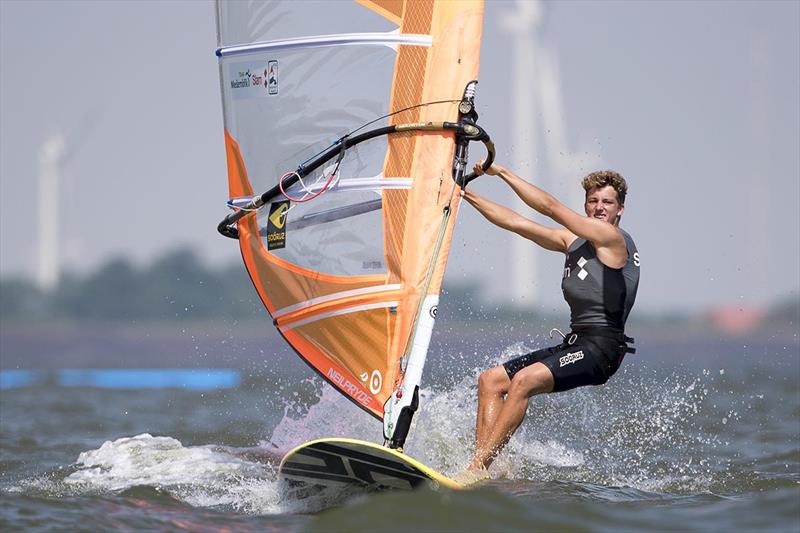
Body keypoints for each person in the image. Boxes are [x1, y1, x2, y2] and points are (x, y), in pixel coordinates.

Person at [457, 162, 640, 482]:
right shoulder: (573, 242)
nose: (599, 208)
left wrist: (501, 173)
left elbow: (552, 207)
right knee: (491, 381)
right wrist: (462, 194)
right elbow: (515, 222)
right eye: (593, 201)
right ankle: (485, 469)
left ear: (620, 210)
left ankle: (476, 471)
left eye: (607, 202)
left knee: (524, 381)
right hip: (577, 342)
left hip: (602, 349)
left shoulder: (613, 239)